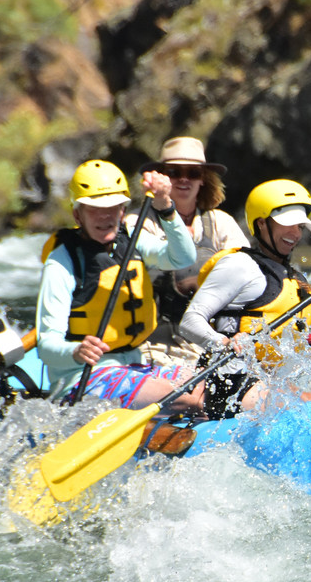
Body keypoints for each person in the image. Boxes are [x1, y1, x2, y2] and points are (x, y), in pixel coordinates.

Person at [179, 179, 311, 417]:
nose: (295, 234)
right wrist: (223, 343)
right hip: (231, 387)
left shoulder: (292, 279)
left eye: (299, 226)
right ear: (262, 223)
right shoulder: (238, 265)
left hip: (270, 387)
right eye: (287, 225)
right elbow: (190, 321)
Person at [35, 159, 206, 414]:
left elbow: (182, 257)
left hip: (137, 363)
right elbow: (46, 346)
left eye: (113, 207)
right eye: (94, 209)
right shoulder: (62, 262)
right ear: (77, 214)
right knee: (191, 399)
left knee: (215, 383)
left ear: (123, 211)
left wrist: (166, 208)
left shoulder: (131, 240)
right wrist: (77, 351)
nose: (105, 216)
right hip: (84, 377)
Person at [125, 137, 249, 362]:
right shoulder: (137, 221)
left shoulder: (222, 222)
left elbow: (248, 275)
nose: (184, 179)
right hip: (151, 347)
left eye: (193, 172)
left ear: (203, 179)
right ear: (161, 177)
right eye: (174, 171)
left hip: (211, 344)